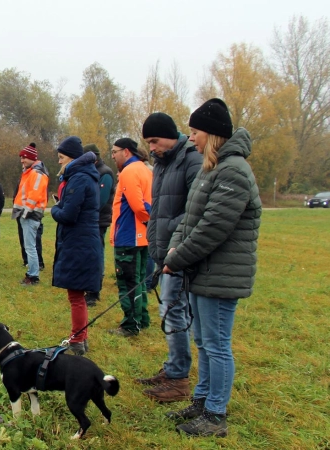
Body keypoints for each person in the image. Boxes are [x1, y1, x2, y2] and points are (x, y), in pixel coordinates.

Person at [163, 98, 261, 437]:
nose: (191, 138)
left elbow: (212, 228)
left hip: (221, 275)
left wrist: (176, 258)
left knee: (217, 344)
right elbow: (190, 219)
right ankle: (202, 401)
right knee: (203, 341)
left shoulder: (233, 170)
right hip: (203, 272)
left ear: (213, 134)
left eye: (195, 132)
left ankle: (215, 415)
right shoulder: (212, 168)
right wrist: (174, 246)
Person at [136, 112, 203, 403]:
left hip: (182, 252)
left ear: (171, 135)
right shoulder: (162, 164)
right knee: (170, 311)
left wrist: (173, 240)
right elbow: (160, 210)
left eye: (155, 141)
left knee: (174, 312)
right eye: (148, 143)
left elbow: (194, 212)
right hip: (164, 251)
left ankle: (178, 379)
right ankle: (174, 368)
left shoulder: (192, 159)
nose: (151, 148)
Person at [50, 137, 102, 356]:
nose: (59, 162)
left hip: (80, 243)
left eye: (61, 158)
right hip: (81, 241)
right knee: (77, 295)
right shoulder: (82, 176)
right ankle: (81, 338)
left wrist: (54, 209)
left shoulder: (79, 178)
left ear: (71, 157)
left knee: (76, 296)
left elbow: (68, 215)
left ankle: (77, 340)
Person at [108, 137, 152, 337]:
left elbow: (139, 206)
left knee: (128, 282)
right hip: (141, 237)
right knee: (140, 279)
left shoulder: (129, 171)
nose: (113, 155)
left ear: (126, 151)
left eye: (115, 151)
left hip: (129, 236)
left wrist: (146, 220)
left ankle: (130, 325)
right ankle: (142, 319)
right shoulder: (144, 169)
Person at [11, 142, 49, 285]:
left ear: (32, 158)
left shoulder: (37, 174)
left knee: (30, 247)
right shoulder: (30, 172)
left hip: (30, 215)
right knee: (29, 246)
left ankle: (33, 276)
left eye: (25, 158)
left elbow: (34, 195)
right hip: (26, 214)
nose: (22, 160)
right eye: (21, 158)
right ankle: (32, 273)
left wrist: (25, 212)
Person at [84, 144, 115, 307]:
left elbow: (100, 201)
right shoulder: (93, 172)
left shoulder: (105, 173)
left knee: (96, 255)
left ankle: (94, 291)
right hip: (91, 220)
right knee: (89, 255)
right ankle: (89, 287)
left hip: (98, 221)